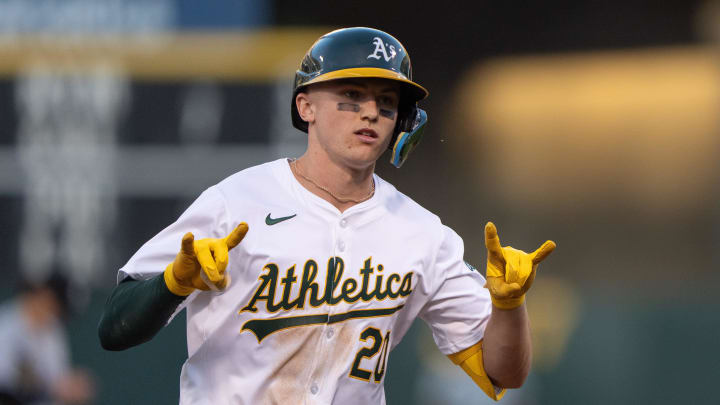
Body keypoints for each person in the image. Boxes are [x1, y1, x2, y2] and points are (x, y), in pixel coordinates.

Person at [98, 27, 555, 404]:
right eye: (351, 95)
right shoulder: (236, 200)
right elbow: (114, 329)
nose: (371, 112)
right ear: (305, 106)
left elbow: (505, 374)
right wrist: (172, 283)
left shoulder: (421, 233)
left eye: (387, 103)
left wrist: (510, 308)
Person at [0, 273, 94, 405]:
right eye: (57, 305)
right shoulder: (6, 323)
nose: (57, 313)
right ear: (44, 294)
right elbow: (5, 384)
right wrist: (47, 386)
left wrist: (71, 387)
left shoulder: (54, 331)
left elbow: (59, 382)